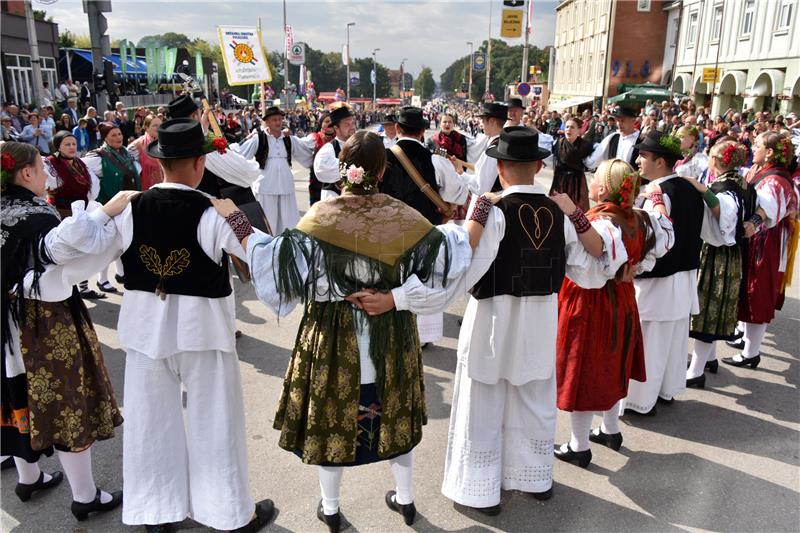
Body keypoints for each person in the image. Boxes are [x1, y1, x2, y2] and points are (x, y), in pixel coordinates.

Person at [218, 130, 471, 532]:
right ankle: (405, 499)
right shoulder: (405, 218)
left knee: (332, 417)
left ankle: (331, 507)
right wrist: (398, 296)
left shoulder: (322, 217)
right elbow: (446, 269)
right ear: (383, 170)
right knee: (393, 413)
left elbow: (276, 264)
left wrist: (236, 220)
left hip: (334, 333)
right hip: (391, 331)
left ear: (342, 167)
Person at [64, 118, 275, 532]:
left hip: (146, 332)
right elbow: (265, 255)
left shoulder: (130, 209)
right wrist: (235, 216)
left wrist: (107, 209)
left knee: (150, 424)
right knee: (215, 424)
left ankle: (157, 513)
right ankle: (229, 512)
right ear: (199, 163)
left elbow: (78, 248)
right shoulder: (214, 212)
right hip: (204, 334)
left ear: (160, 163)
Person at [441, 127, 609, 514]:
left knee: (482, 402)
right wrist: (575, 213)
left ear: (500, 167)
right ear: (538, 165)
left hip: (492, 322)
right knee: (534, 400)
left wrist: (480, 207)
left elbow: (464, 256)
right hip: (538, 319)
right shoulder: (560, 213)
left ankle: (480, 490)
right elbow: (595, 258)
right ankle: (534, 479)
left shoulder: (494, 211)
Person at [1, 141, 128, 521]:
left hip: (6, 323)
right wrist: (105, 213)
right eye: (41, 168)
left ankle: (29, 477)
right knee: (66, 397)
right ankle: (85, 496)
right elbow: (62, 247)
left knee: (14, 393)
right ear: (25, 173)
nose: (46, 175)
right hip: (43, 318)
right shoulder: (34, 216)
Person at [554, 159, 673, 468]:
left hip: (590, 302)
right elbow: (664, 232)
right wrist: (658, 202)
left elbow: (595, 248)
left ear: (604, 188)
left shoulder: (602, 221)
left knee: (583, 371)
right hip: (621, 299)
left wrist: (572, 212)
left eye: (595, 180)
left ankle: (579, 445)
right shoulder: (639, 218)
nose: (590, 184)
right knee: (613, 364)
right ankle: (610, 429)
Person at [622, 131, 704, 416]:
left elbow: (651, 242)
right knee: (671, 340)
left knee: (650, 342)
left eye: (644, 156)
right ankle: (665, 391)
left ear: (660, 161)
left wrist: (632, 266)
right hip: (683, 278)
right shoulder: (691, 189)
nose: (638, 161)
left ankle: (641, 401)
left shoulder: (657, 194)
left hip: (659, 281)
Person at [381, 106, 470, 347]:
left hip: (390, 234)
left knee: (393, 280)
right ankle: (421, 337)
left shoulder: (382, 158)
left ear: (397, 128)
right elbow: (460, 195)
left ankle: (392, 330)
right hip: (425, 231)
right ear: (422, 131)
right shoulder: (436, 161)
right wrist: (459, 174)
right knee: (424, 279)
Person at [725, 132, 797, 368]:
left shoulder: (774, 179)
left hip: (765, 241)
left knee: (758, 292)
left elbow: (770, 210)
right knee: (750, 289)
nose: (753, 148)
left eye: (757, 145)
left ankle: (751, 353)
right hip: (762, 238)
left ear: (769, 152)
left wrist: (752, 224)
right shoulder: (765, 173)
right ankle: (746, 340)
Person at [685, 140, 752, 385]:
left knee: (707, 310)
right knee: (710, 308)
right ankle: (709, 359)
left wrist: (703, 190)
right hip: (728, 252)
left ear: (717, 160)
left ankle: (696, 371)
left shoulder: (725, 187)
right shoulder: (741, 180)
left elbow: (722, 211)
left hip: (717, 253)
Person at [233, 106, 315, 234]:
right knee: (267, 221)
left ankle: (286, 246)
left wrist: (318, 154)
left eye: (279, 119)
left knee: (288, 220)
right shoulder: (258, 138)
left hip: (285, 185)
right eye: (274, 120)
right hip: (266, 185)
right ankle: (267, 246)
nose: (278, 122)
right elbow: (241, 153)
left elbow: (305, 151)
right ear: (268, 122)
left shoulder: (289, 139)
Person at [43, 130, 104, 299]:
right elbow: (46, 186)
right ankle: (65, 289)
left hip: (80, 212)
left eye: (74, 144)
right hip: (60, 214)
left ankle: (83, 287)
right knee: (65, 251)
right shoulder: (50, 164)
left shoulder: (80, 163)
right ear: (58, 146)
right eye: (67, 144)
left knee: (83, 250)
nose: (71, 147)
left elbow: (91, 190)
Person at [82, 121, 141, 294]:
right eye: (113, 135)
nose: (118, 137)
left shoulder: (126, 153)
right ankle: (102, 280)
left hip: (128, 204)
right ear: (105, 138)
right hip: (110, 205)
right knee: (107, 244)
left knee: (123, 241)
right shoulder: (97, 157)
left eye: (119, 134)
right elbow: (82, 171)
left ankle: (121, 273)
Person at [313, 104, 357, 200]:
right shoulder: (329, 149)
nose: (352, 127)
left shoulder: (359, 145)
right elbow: (321, 170)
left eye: (353, 123)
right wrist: (353, 166)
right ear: (336, 128)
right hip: (334, 200)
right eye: (347, 124)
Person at [550, 117, 594, 211]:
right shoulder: (559, 143)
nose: (568, 129)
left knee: (576, 209)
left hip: (576, 182)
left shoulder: (585, 146)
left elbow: (591, 162)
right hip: (560, 180)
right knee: (558, 210)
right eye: (567, 127)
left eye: (572, 127)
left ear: (579, 130)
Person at [127, 114, 164, 191]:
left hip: (165, 187)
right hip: (146, 189)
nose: (159, 128)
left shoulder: (165, 142)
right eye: (155, 125)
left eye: (160, 125)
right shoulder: (137, 145)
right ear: (146, 128)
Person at [307, 111, 334, 205]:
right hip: (316, 180)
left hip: (333, 181)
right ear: (321, 124)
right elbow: (300, 147)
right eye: (326, 121)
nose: (330, 124)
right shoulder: (313, 138)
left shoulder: (339, 139)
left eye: (332, 121)